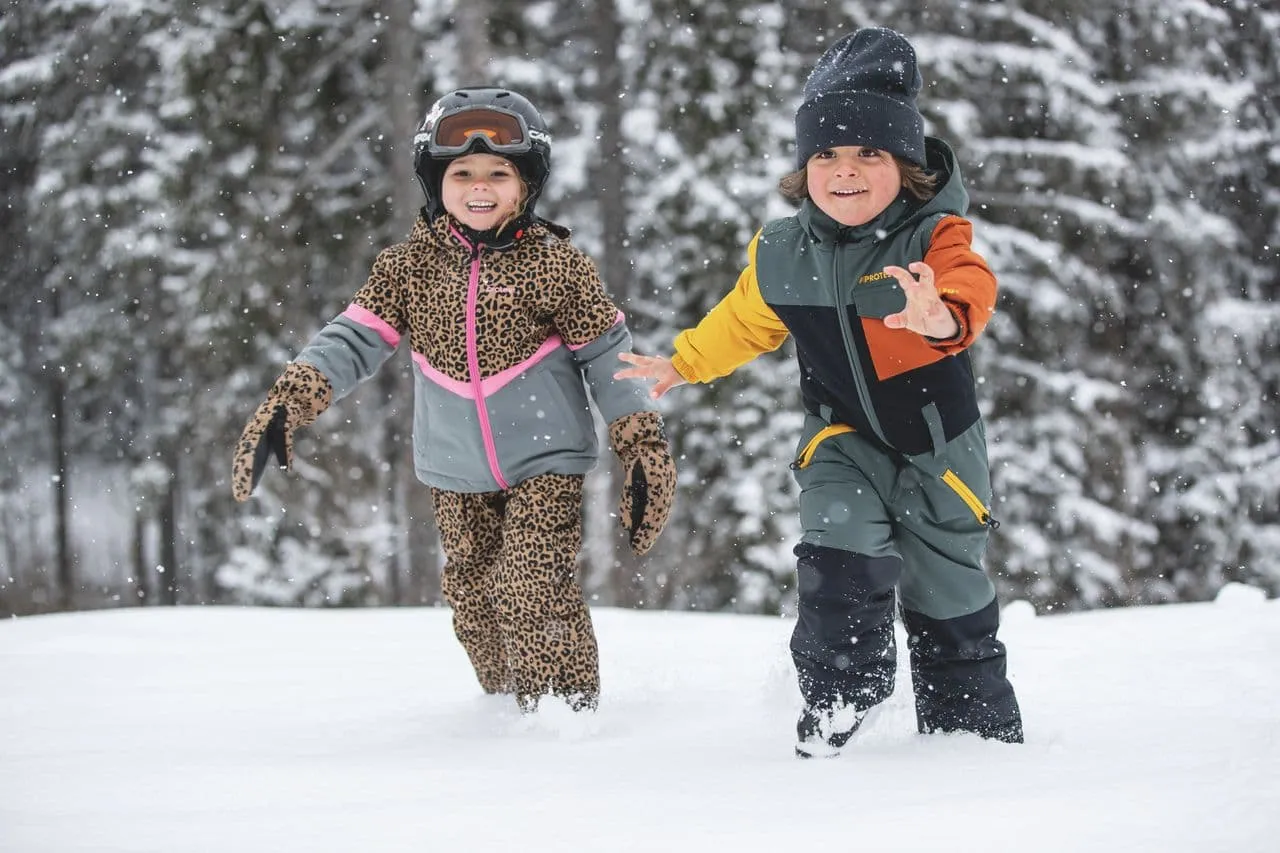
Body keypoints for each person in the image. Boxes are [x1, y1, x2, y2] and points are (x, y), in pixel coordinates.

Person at [616, 27, 1023, 755]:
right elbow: (745, 319)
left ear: (906, 164)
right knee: (838, 561)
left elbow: (971, 283)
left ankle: (974, 746)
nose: (846, 171)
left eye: (870, 153)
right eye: (826, 154)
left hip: (940, 451)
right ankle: (838, 706)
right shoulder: (782, 251)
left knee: (949, 600)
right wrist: (684, 361)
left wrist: (939, 313)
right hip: (844, 441)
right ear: (804, 167)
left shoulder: (933, 238)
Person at [232, 86, 677, 713]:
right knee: (471, 599)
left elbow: (610, 358)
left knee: (531, 586)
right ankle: (501, 710)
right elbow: (353, 340)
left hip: (546, 460)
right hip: (453, 468)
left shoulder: (558, 267)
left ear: (526, 183)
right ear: (435, 179)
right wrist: (289, 402)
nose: (479, 186)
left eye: (499, 172)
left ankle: (567, 716)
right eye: (462, 172)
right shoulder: (407, 266)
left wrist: (641, 444)